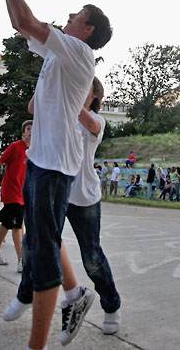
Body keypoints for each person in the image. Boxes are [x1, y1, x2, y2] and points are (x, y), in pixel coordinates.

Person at [0, 0, 112, 350]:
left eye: (78, 14)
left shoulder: (78, 52)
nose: (71, 14)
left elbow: (26, 20)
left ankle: (42, 333)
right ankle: (75, 295)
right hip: (46, 162)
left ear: (87, 29)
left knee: (41, 254)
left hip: (56, 166)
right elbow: (18, 22)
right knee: (45, 241)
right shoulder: (59, 54)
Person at [63, 77, 122, 334]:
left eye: (83, 84)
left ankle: (111, 305)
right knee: (39, 244)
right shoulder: (63, 113)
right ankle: (32, 295)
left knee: (92, 258)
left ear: (95, 94)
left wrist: (66, 94)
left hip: (84, 195)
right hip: (58, 190)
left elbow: (90, 124)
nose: (76, 87)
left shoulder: (98, 121)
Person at [0, 120, 32, 271]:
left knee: (9, 223)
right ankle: (22, 260)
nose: (31, 131)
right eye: (28, 129)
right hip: (11, 191)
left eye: (34, 129)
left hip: (23, 193)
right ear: (23, 132)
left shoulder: (34, 150)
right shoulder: (15, 147)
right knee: (16, 225)